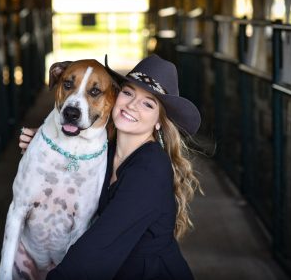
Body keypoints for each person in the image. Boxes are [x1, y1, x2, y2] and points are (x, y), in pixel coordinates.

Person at [19, 54, 201, 280]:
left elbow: (100, 245)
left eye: (148, 103)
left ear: (158, 121)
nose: (133, 105)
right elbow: (70, 164)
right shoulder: (106, 150)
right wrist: (44, 144)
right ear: (114, 97)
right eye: (128, 92)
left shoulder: (150, 170)